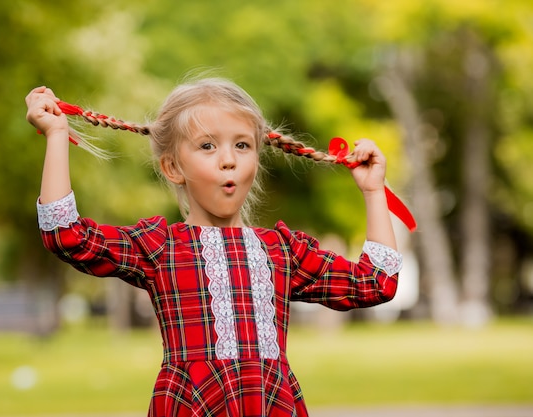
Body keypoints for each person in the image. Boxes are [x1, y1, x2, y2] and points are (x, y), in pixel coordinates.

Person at [25, 77, 402, 417]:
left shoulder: (282, 251)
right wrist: (57, 135)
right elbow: (67, 235)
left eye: (242, 145)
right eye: (207, 146)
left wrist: (373, 192)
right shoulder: (160, 248)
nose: (228, 160)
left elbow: (375, 282)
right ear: (173, 167)